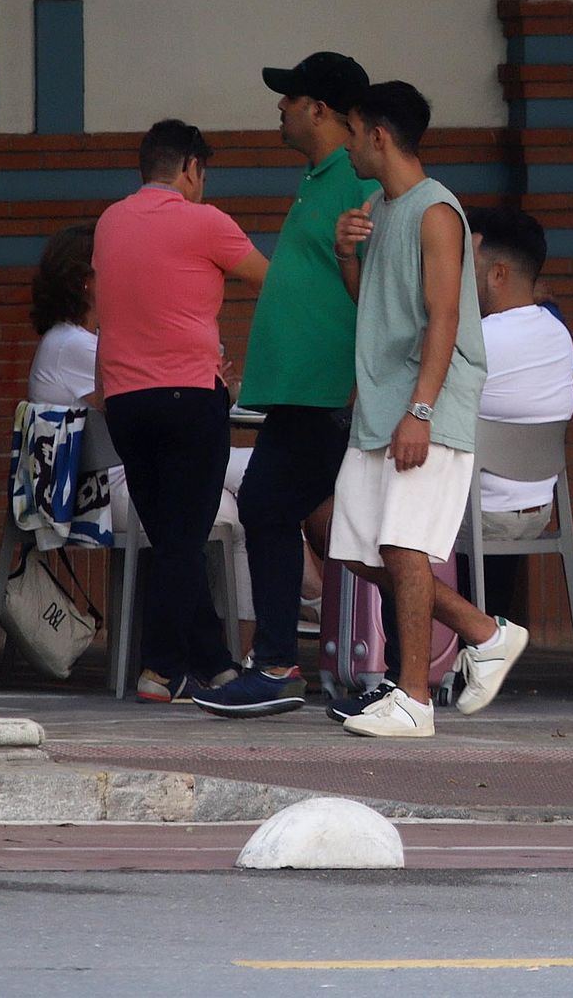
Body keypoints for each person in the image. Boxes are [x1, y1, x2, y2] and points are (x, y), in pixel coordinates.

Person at [325, 81, 528, 738]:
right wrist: (345, 255)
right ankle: (484, 632)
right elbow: (376, 307)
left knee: (403, 545)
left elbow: (444, 317)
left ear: (378, 135)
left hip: (424, 404)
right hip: (382, 405)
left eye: (353, 133)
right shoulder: (381, 210)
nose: (347, 146)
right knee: (358, 549)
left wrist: (420, 410)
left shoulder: (437, 211)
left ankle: (414, 698)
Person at [192, 51, 376, 719]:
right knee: (307, 519)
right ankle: (300, 662)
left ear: (319, 109)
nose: (280, 107)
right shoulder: (319, 177)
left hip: (327, 392)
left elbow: (383, 291)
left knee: (273, 506)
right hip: (304, 391)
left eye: (290, 98)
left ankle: (277, 664)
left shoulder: (357, 181)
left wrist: (360, 382)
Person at [93, 120, 269, 702]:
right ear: (192, 168)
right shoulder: (206, 221)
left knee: (172, 538)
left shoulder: (109, 222)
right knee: (182, 541)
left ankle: (215, 664)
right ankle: (160, 670)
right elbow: (272, 283)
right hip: (189, 397)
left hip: (125, 402)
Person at [28, 223, 256, 625]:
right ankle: (252, 635)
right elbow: (148, 397)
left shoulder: (81, 341)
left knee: (257, 480)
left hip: (134, 476)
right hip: (100, 493)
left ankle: (278, 613)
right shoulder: (73, 345)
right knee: (241, 501)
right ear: (86, 282)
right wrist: (204, 382)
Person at [462, 205, 573, 611]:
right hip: (538, 509)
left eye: (468, 266)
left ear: (498, 274)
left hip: (480, 512)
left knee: (383, 529)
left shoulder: (476, 339)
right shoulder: (559, 334)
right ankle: (488, 634)